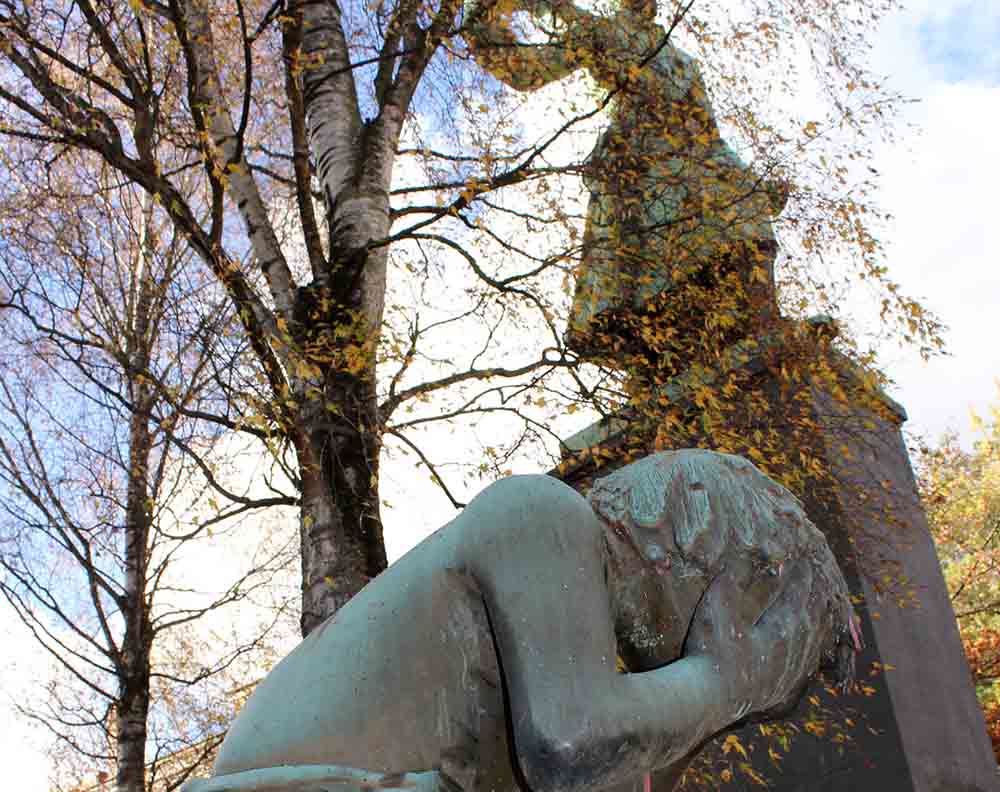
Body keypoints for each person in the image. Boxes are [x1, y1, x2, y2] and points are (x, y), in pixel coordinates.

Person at [183, 450, 856, 792]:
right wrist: (719, 682)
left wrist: (711, 701)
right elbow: (570, 747)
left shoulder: (575, 660)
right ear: (706, 566)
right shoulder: (544, 516)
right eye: (727, 625)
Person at [464, 0, 788, 361]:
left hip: (693, 158)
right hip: (638, 163)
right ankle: (653, 337)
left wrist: (752, 183)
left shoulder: (682, 63)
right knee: (651, 265)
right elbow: (525, 72)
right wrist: (481, 18)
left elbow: (708, 131)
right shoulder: (598, 31)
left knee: (745, 205)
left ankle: (763, 321)